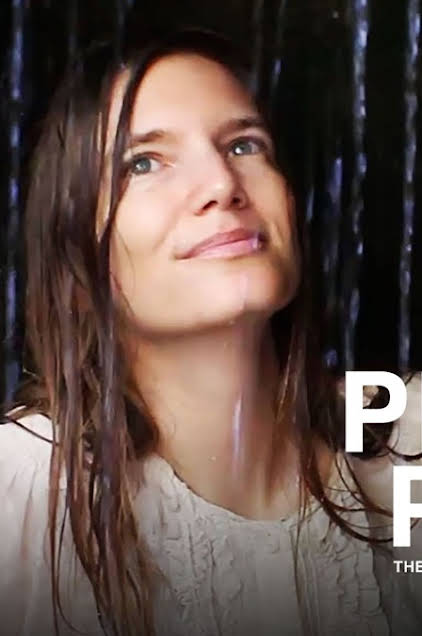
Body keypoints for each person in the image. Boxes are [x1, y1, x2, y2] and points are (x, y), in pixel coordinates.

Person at [1, 27, 422, 636]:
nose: (223, 185)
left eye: (244, 145)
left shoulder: (409, 447)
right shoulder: (23, 495)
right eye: (143, 163)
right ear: (73, 267)